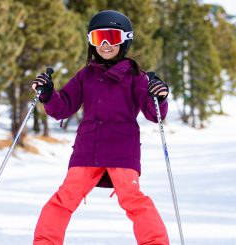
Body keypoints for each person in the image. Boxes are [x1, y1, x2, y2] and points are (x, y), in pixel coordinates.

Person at [31, 10, 170, 245]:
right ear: (91, 42)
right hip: (88, 148)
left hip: (122, 148)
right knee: (65, 197)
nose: (105, 44)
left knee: (132, 198)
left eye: (112, 37)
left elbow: (153, 113)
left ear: (125, 40)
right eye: (98, 38)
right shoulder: (86, 75)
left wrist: (159, 96)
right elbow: (62, 108)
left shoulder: (136, 77)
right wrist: (47, 94)